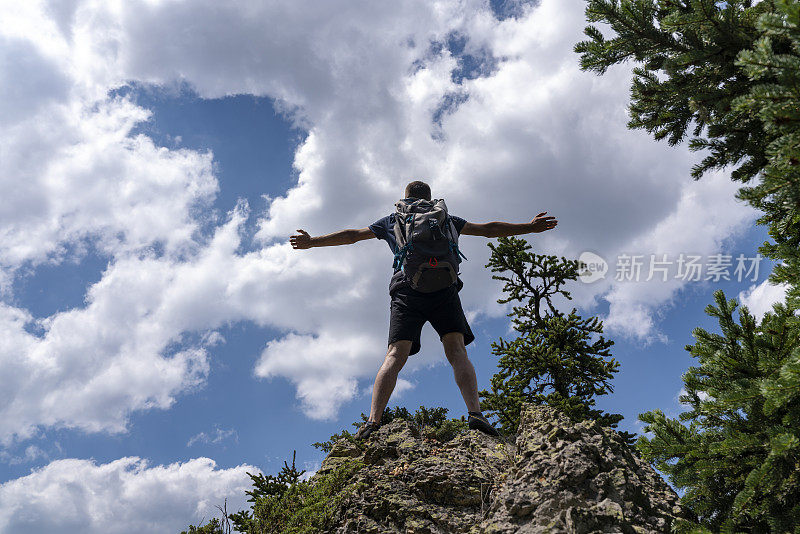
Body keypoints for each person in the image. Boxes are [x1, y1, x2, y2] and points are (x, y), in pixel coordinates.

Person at [290, 180, 557, 440]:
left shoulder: (394, 220)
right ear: (431, 198)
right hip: (445, 289)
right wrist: (529, 228)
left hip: (407, 291)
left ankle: (373, 421)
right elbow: (488, 229)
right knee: (457, 350)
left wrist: (313, 242)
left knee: (395, 355)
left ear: (405, 197)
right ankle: (476, 414)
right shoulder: (446, 219)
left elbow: (352, 236)